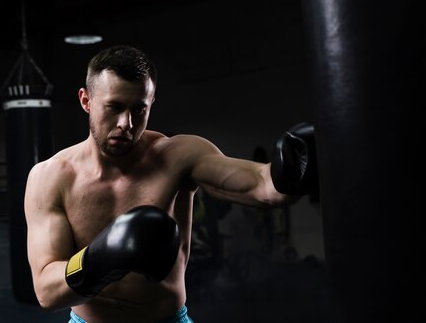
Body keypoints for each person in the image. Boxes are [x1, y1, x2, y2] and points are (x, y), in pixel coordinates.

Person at [24, 45, 317, 323]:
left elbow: (262, 187)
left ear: (151, 103)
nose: (126, 123)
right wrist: (103, 256)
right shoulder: (50, 177)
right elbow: (47, 292)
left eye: (139, 109)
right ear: (85, 100)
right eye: (114, 107)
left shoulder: (178, 156)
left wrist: (288, 171)